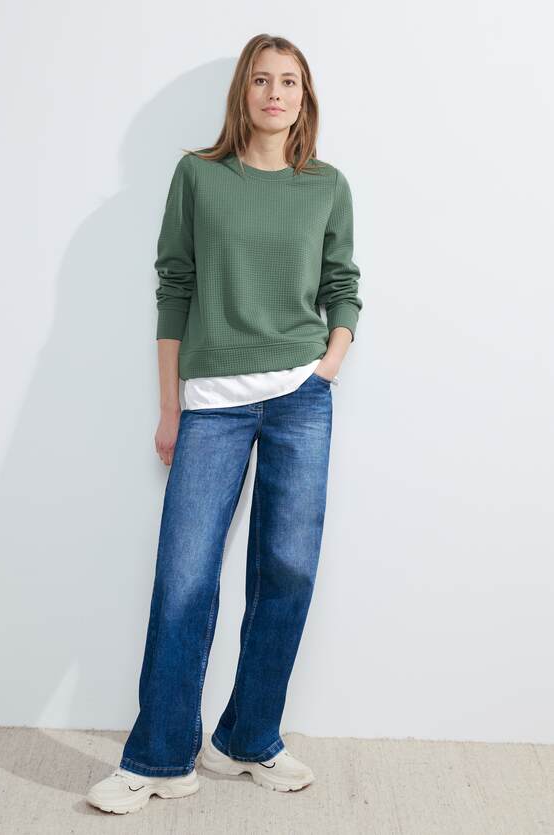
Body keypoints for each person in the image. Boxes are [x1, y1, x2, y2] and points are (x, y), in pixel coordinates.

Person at [87, 32, 362, 815]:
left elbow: (343, 281)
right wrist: (170, 406)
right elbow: (174, 284)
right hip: (212, 402)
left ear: (305, 98)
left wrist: (331, 358)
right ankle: (159, 755)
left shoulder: (327, 185)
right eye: (262, 80)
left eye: (290, 82)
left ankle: (248, 737)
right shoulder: (199, 176)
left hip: (302, 397)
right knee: (185, 578)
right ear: (243, 91)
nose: (276, 93)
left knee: (288, 572)